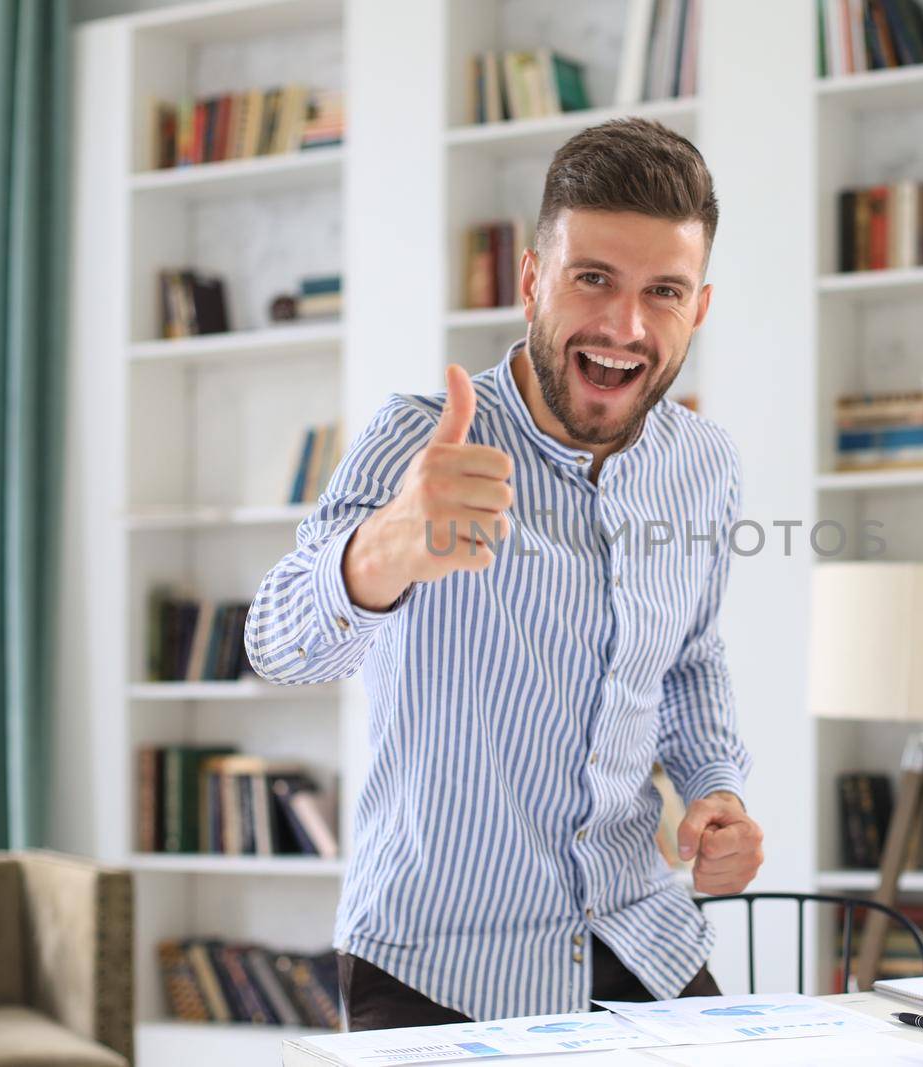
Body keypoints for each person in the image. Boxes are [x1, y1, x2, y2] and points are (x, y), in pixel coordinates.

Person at [245, 118, 763, 1030]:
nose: (624, 325)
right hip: (437, 964)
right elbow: (276, 645)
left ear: (700, 308)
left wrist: (716, 788)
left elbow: (688, 659)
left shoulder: (704, 463)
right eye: (592, 277)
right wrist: (385, 550)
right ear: (532, 280)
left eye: (663, 291)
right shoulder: (418, 439)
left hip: (642, 934)